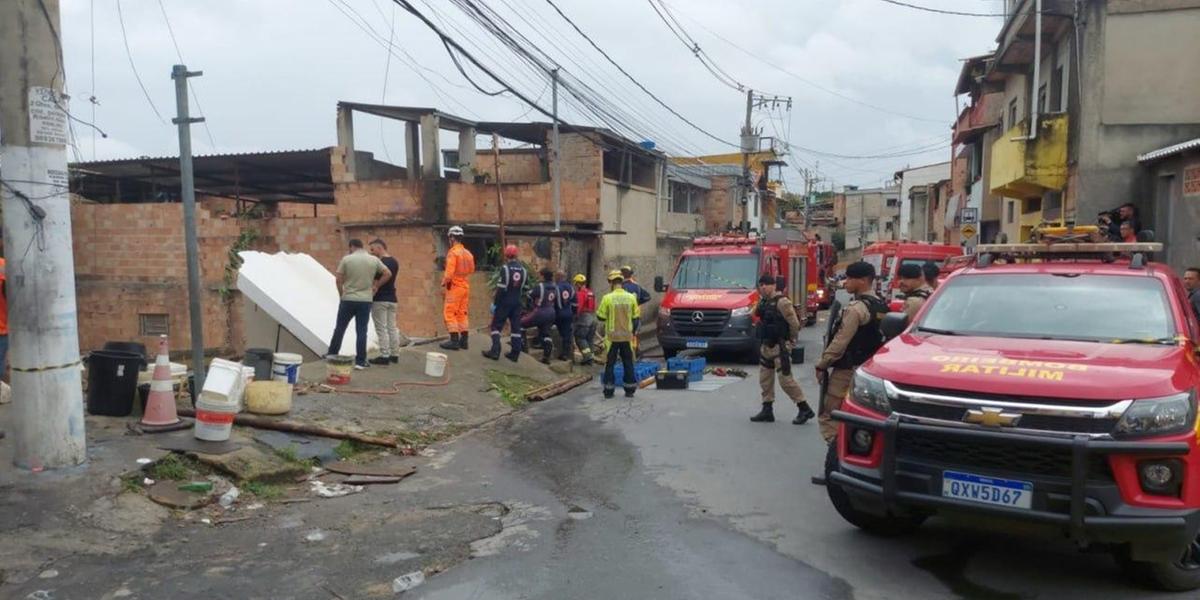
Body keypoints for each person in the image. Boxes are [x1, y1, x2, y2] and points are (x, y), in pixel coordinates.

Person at [815, 261, 887, 443]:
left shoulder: (856, 309)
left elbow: (840, 341)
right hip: (870, 371)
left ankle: (836, 457)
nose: (845, 282)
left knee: (830, 414)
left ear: (862, 281)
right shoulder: (880, 305)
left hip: (847, 370)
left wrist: (822, 364)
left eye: (849, 278)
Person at [749, 274, 816, 425]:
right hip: (766, 346)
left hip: (780, 346)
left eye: (766, 284)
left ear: (773, 285)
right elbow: (753, 315)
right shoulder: (764, 302)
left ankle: (804, 408)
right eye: (761, 285)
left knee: (786, 380)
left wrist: (790, 342)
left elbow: (794, 324)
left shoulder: (782, 302)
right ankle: (767, 410)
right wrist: (758, 302)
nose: (763, 287)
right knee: (765, 380)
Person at [328, 239, 391, 370]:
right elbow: (388, 273)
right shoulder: (373, 260)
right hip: (365, 301)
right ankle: (360, 361)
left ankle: (332, 355)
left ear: (351, 247)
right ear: (362, 247)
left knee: (340, 328)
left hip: (348, 299)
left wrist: (342, 295)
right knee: (362, 331)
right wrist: (376, 286)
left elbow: (338, 280)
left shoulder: (347, 259)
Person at [597, 270, 640, 399]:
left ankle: (609, 391)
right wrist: (632, 332)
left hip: (612, 338)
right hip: (626, 337)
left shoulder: (607, 298)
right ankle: (630, 390)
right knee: (628, 362)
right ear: (622, 282)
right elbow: (636, 317)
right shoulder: (631, 297)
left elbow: (600, 316)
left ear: (611, 282)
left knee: (610, 364)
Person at [483, 245, 527, 362]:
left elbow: (501, 289)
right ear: (516, 255)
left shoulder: (505, 269)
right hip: (517, 302)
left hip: (505, 302)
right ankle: (515, 353)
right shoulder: (523, 270)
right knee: (515, 328)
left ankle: (495, 351)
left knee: (495, 326)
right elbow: (525, 288)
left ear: (506, 255)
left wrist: (496, 303)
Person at [440, 226, 476, 350]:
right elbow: (472, 269)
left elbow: (449, 273)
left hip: (454, 286)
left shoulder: (453, 253)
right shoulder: (468, 253)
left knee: (449, 312)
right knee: (462, 313)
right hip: (465, 286)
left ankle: (454, 340)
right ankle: (464, 340)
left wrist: (444, 282)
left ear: (451, 238)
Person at [367, 239, 403, 365]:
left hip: (380, 299)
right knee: (392, 328)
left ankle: (384, 355)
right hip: (392, 298)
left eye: (372, 249)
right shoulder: (394, 261)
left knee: (381, 328)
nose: (371, 252)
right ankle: (395, 354)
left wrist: (374, 288)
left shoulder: (380, 263)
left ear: (379, 248)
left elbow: (376, 281)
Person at [523, 268, 560, 364]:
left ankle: (522, 350)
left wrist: (529, 308)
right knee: (545, 333)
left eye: (540, 275)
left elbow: (529, 296)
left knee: (520, 324)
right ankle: (546, 356)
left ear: (543, 276)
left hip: (540, 311)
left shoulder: (540, 286)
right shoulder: (555, 286)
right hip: (551, 312)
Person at [572, 274, 598, 365]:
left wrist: (574, 317)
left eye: (576, 284)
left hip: (584, 319)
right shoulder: (590, 292)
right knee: (590, 339)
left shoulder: (580, 294)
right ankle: (591, 356)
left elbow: (578, 307)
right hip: (593, 318)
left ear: (578, 284)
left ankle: (587, 357)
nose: (575, 286)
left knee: (580, 338)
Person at [554, 270, 576, 361]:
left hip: (558, 313)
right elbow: (575, 303)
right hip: (568, 314)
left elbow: (553, 301)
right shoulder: (571, 288)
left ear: (558, 277)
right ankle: (565, 354)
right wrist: (573, 314)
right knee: (567, 334)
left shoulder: (556, 287)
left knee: (547, 327)